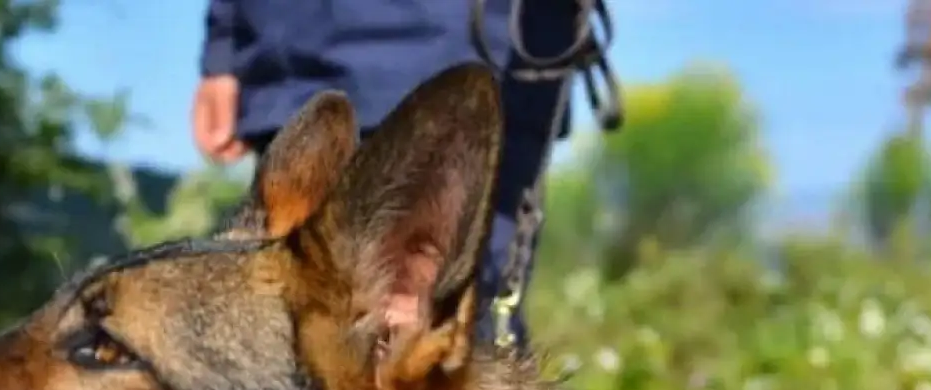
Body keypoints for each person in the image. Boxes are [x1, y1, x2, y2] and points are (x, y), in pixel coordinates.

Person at [191, 0, 616, 349]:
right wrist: (224, 48)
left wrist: (224, 48)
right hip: (309, 50)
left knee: (441, 337)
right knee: (293, 332)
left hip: (483, 50)